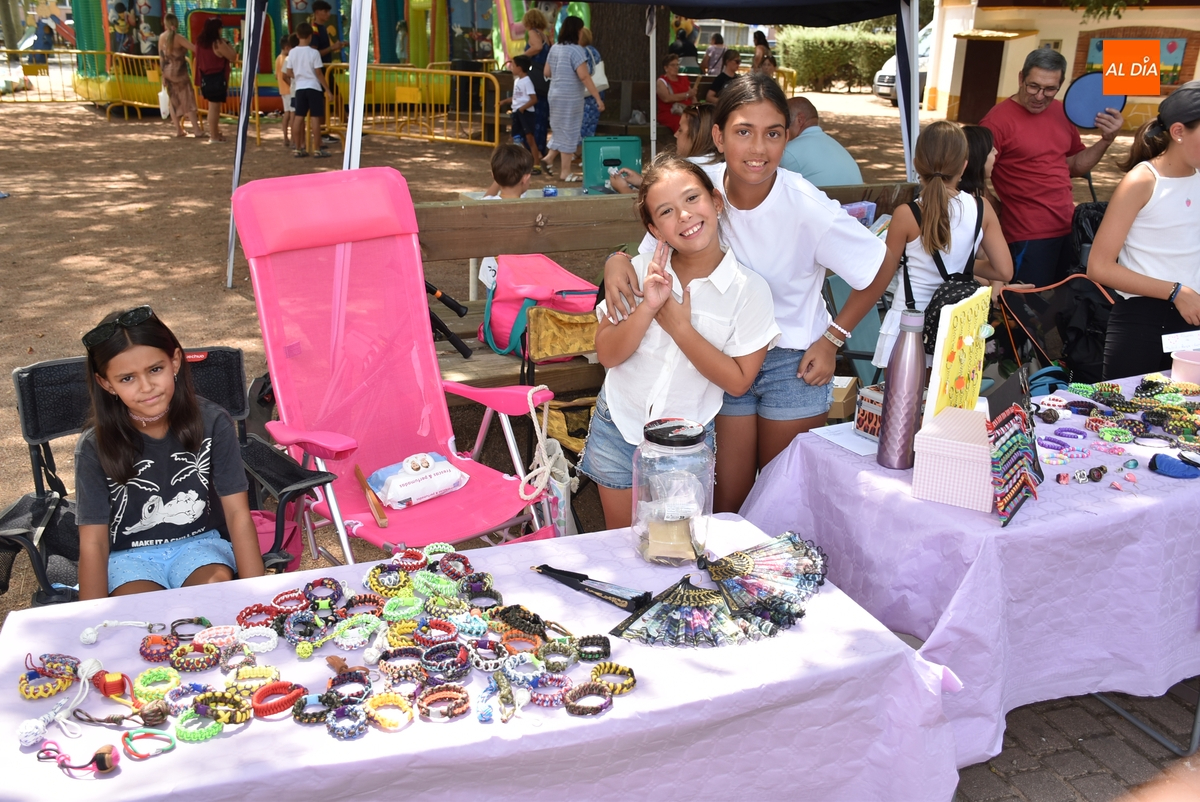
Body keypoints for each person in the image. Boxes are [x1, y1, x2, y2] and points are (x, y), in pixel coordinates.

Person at [604, 75, 888, 513]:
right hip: (719, 358)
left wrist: (833, 338)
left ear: (788, 137)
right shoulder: (699, 187)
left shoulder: (806, 206)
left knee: (781, 499)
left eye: (773, 134)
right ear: (719, 137)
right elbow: (653, 247)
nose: (758, 149)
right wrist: (616, 260)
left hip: (793, 364)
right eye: (743, 132)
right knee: (726, 504)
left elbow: (877, 265)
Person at [580, 155, 780, 529]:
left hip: (685, 446)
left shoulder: (749, 291)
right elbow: (607, 353)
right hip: (618, 425)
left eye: (692, 198)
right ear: (655, 229)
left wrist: (680, 328)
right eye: (667, 211)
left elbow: (739, 381)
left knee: (675, 547)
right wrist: (647, 308)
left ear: (716, 201)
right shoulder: (638, 271)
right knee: (620, 542)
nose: (684, 215)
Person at [74, 306, 264, 600]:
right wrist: (91, 618)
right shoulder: (93, 446)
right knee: (141, 613)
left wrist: (257, 596)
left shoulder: (213, 422)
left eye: (155, 369)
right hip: (129, 558)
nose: (147, 387)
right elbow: (94, 542)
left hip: (200, 547)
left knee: (211, 599)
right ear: (106, 383)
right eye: (127, 378)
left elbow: (238, 512)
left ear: (174, 361)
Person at [870, 121, 1013, 368]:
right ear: (964, 165)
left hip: (910, 325)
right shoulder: (982, 208)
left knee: (903, 394)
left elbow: (883, 274)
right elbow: (1004, 271)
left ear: (917, 164)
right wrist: (962, 264)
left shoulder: (906, 214)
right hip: (958, 329)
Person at [981, 47, 1124, 288]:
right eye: (1033, 86)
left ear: (1060, 85)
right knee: (1026, 306)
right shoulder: (996, 122)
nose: (1040, 96)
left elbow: (1075, 165)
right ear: (1021, 78)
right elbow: (970, 173)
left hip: (1068, 226)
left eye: (1049, 89)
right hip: (1026, 234)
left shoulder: (1061, 111)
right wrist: (993, 209)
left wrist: (1106, 141)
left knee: (1062, 304)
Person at [1087, 81, 1200, 380]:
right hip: (1142, 324)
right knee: (1129, 409)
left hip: (1191, 322)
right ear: (1178, 132)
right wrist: (1176, 292)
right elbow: (1099, 266)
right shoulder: (1143, 181)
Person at [541, 15, 604, 182]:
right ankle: (566, 172)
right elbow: (584, 76)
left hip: (554, 94)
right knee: (570, 130)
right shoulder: (577, 50)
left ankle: (549, 158)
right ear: (577, 31)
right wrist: (597, 98)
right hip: (570, 97)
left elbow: (546, 72)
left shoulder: (555, 48)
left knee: (559, 128)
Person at [610, 104, 716, 194]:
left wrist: (623, 189)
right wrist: (641, 182)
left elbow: (655, 205)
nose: (675, 134)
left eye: (680, 130)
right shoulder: (717, 166)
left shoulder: (686, 172)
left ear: (696, 136)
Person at [780, 96, 863, 186]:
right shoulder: (836, 147)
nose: (783, 129)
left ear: (800, 120)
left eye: (785, 123)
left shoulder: (789, 153)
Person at [285, 23, 332, 158]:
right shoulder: (314, 53)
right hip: (314, 87)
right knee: (315, 118)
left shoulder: (292, 52)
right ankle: (317, 148)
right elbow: (319, 73)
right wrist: (327, 90)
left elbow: (289, 72)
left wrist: (299, 76)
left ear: (297, 35)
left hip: (300, 88)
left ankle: (298, 148)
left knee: (299, 117)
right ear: (310, 36)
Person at [158, 13, 202, 139]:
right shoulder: (179, 38)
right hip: (179, 72)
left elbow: (161, 57)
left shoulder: (161, 37)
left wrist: (163, 75)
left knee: (173, 100)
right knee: (187, 98)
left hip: (168, 71)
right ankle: (196, 130)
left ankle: (178, 129)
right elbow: (195, 49)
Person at [195, 17, 237, 143]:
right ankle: (213, 136)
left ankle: (215, 133)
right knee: (214, 108)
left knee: (213, 107)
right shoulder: (218, 43)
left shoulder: (200, 43)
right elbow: (233, 56)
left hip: (206, 78)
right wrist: (228, 43)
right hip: (217, 78)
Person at [522, 8, 552, 163]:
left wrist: (522, 56)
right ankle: (540, 147)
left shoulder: (533, 33)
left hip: (534, 78)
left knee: (531, 113)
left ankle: (533, 150)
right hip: (544, 79)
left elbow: (537, 47)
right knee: (542, 115)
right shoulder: (545, 35)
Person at [503, 54, 542, 169]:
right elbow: (517, 97)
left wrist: (522, 108)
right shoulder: (517, 81)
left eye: (513, 65)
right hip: (517, 112)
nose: (511, 68)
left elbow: (534, 99)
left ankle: (536, 164)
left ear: (519, 68)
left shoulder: (527, 82)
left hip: (526, 113)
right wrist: (504, 101)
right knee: (516, 139)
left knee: (530, 139)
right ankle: (523, 161)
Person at [656, 53, 696, 135]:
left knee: (700, 120)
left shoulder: (683, 79)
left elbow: (692, 96)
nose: (676, 67)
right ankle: (685, 141)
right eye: (672, 65)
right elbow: (666, 98)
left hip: (686, 110)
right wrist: (686, 95)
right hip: (671, 112)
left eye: (677, 65)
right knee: (682, 123)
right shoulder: (662, 81)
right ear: (666, 68)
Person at [579, 27, 604, 140]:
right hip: (596, 90)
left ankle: (581, 149)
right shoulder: (593, 51)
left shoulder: (582, 52)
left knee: (582, 126)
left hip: (587, 93)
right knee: (589, 126)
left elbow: (584, 74)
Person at [274, 34, 297, 149]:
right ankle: (293, 139)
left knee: (287, 114)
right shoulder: (287, 59)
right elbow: (285, 75)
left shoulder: (278, 58)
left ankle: (285, 138)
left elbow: (276, 76)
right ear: (288, 47)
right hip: (289, 90)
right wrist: (291, 85)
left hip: (282, 90)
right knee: (292, 114)